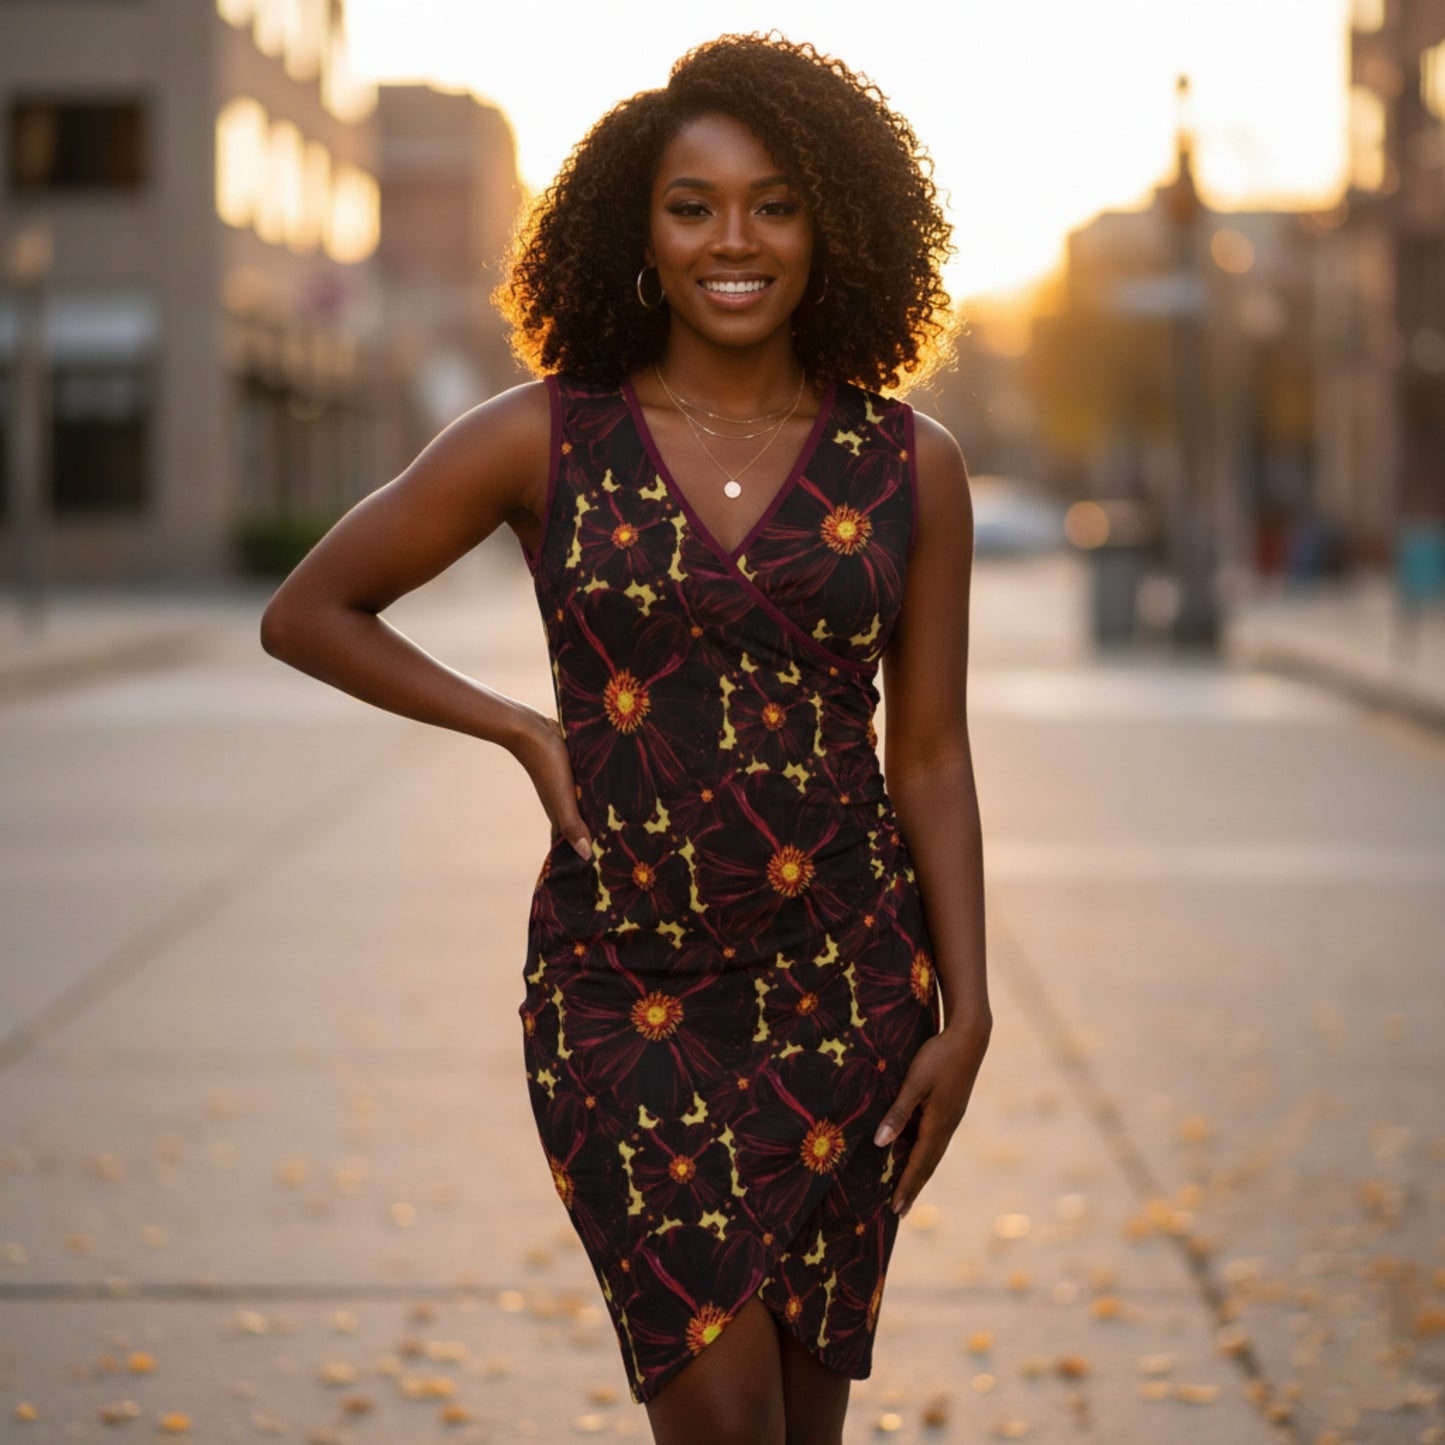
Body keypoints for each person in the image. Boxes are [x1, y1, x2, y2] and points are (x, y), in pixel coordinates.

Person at [260, 32, 990, 1445]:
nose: (734, 240)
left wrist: (966, 1013)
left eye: (773, 203)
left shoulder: (913, 465)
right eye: (691, 203)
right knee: (720, 1420)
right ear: (635, 232)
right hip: (624, 990)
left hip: (843, 989)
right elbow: (312, 610)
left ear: (830, 225)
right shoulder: (543, 436)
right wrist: (522, 731)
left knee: (797, 1422)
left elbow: (933, 757)